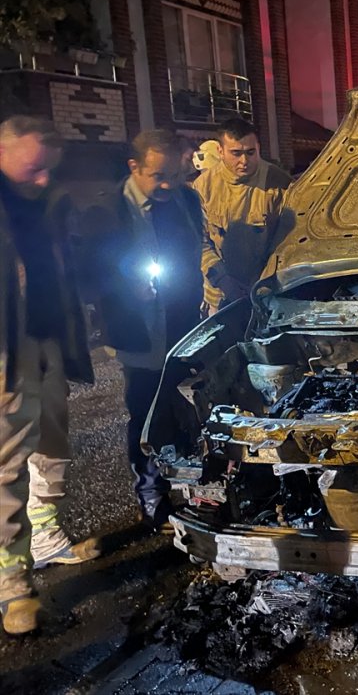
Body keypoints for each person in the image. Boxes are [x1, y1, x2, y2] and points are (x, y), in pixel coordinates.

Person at [0, 116, 98, 634]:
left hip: (47, 344)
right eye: (35, 169)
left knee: (54, 446)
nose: (43, 180)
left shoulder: (49, 201)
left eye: (49, 171)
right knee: (6, 469)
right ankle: (14, 588)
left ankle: (46, 538)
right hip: (5, 355)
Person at [82, 130, 204, 530]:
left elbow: (194, 251)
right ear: (133, 168)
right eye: (158, 175)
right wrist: (124, 285)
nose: (168, 184)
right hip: (139, 334)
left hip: (183, 329)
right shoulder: (105, 212)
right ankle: (151, 495)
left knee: (186, 409)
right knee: (145, 414)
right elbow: (87, 275)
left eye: (174, 173)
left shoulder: (186, 200)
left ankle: (195, 487)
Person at [193, 119, 292, 312]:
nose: (244, 161)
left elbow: (291, 241)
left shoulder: (279, 183)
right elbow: (199, 241)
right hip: (219, 294)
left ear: (258, 148)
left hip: (267, 294)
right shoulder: (204, 186)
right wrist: (223, 280)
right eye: (236, 153)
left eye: (250, 152)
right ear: (220, 151)